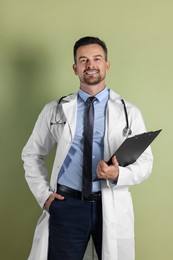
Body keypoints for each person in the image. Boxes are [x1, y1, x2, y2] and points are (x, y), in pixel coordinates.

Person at [22, 36, 153, 260]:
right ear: (75, 68)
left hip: (110, 204)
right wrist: (44, 197)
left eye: (96, 59)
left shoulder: (129, 112)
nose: (90, 65)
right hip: (67, 206)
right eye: (83, 60)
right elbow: (32, 155)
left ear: (106, 65)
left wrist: (118, 173)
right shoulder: (54, 110)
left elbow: (146, 163)